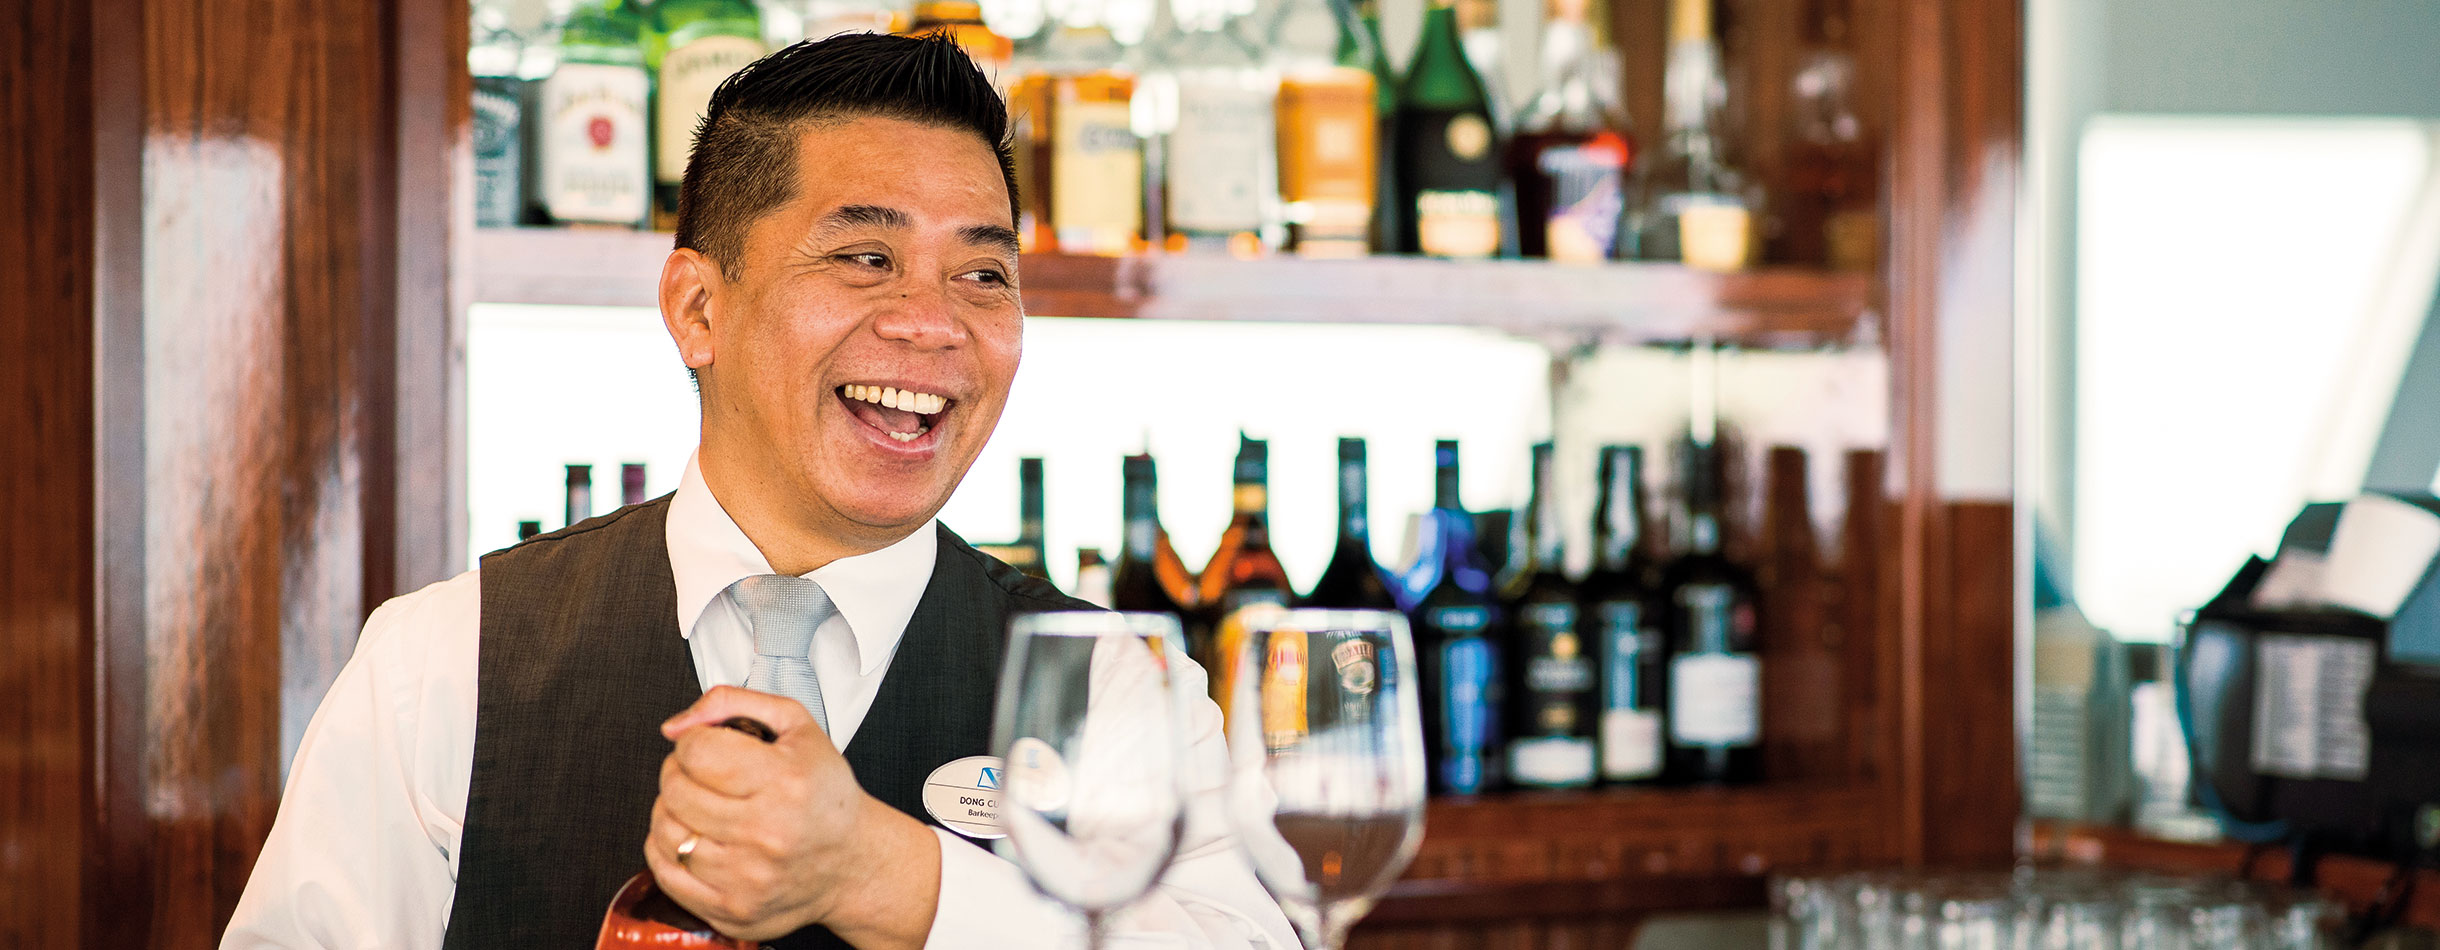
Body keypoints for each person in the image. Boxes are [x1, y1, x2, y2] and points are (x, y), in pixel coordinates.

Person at [224, 33, 1298, 950]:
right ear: (698, 308)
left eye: (983, 274)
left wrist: (889, 875)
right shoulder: (440, 658)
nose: (933, 322)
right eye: (864, 257)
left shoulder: (1110, 682)